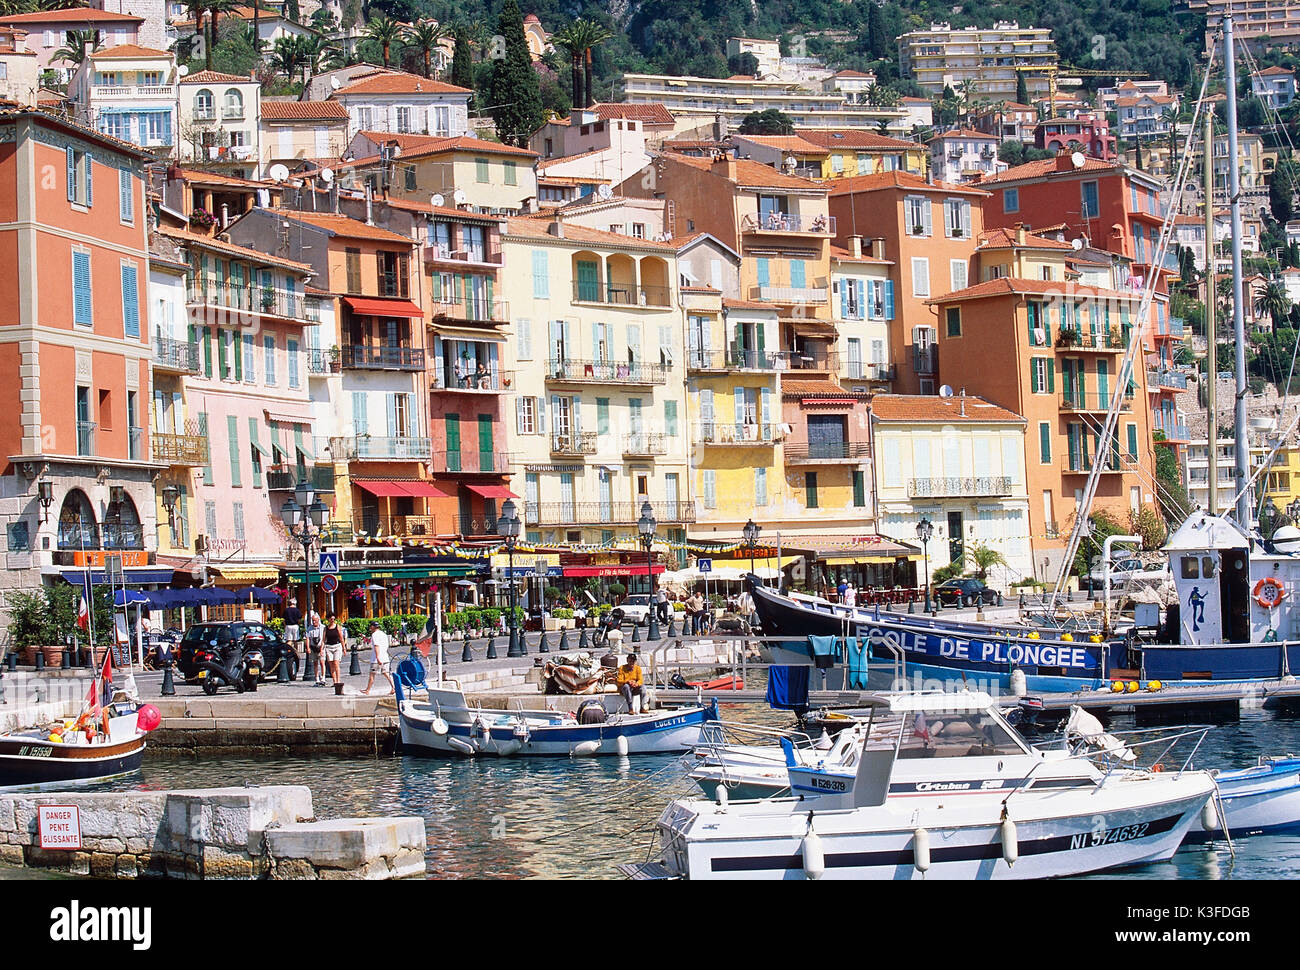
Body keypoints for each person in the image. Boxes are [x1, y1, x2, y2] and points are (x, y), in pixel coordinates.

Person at [361, 620, 395, 695]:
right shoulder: (383, 634)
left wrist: (378, 657)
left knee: (372, 674)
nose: (370, 628)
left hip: (376, 659)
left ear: (373, 627)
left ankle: (367, 690)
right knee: (386, 673)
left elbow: (376, 646)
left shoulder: (374, 635)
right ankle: (393, 687)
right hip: (385, 657)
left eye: (371, 626)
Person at [323, 615, 346, 693]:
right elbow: (323, 640)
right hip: (329, 647)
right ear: (328, 619)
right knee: (331, 664)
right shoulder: (326, 628)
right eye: (331, 619)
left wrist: (344, 648)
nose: (332, 620)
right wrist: (321, 649)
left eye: (334, 619)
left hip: (337, 646)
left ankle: (338, 680)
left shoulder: (338, 627)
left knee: (336, 663)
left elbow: (341, 638)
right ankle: (335, 681)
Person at [307, 609, 324, 686]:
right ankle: (317, 678)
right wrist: (308, 648)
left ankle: (323, 678)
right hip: (313, 647)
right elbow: (307, 638)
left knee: (322, 662)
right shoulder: (310, 628)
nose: (314, 622)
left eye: (315, 620)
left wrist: (322, 649)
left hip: (321, 646)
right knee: (315, 663)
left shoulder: (322, 627)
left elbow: (324, 639)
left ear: (318, 620)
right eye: (313, 620)